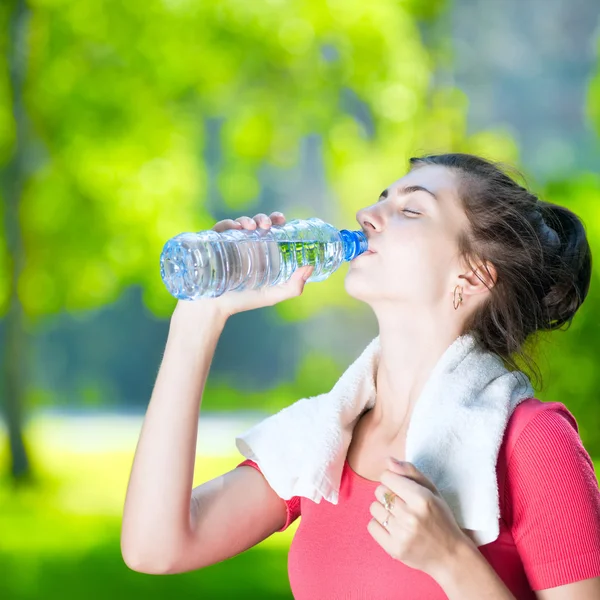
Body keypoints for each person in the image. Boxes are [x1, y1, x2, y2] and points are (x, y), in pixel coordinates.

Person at [121, 153, 600, 597]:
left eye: (411, 211)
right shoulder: (322, 442)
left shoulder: (534, 440)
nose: (367, 216)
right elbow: (154, 547)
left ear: (473, 276)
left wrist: (452, 560)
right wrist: (199, 319)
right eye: (381, 199)